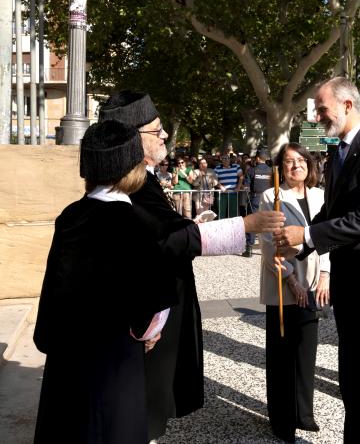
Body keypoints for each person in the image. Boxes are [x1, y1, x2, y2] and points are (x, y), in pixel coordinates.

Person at [98, 90, 285, 441]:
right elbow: (163, 240)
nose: (166, 135)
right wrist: (246, 226)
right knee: (140, 409)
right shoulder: (129, 185)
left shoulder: (142, 178)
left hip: (159, 308)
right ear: (133, 138)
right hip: (147, 317)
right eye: (157, 130)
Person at [274, 77, 360, 443]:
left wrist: (307, 236)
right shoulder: (337, 152)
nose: (317, 117)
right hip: (350, 289)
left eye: (322, 109)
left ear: (348, 105)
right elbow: (332, 213)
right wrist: (298, 245)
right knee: (353, 382)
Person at [34, 120, 177, 444]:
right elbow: (157, 300)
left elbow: (54, 285)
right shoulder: (142, 224)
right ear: (133, 168)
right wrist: (148, 332)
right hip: (117, 362)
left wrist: (48, 336)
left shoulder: (70, 217)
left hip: (67, 359)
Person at [258, 143, 330, 443]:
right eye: (289, 162)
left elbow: (328, 236)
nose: (295, 166)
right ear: (280, 167)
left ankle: (304, 412)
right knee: (282, 353)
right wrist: (291, 281)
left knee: (306, 351)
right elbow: (267, 243)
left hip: (315, 282)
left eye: (301, 160)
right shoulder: (271, 197)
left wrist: (326, 274)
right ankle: (281, 418)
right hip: (284, 283)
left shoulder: (319, 195)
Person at [246, 149, 274, 257]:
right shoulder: (271, 170)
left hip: (255, 198)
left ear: (257, 158)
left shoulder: (251, 170)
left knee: (253, 222)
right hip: (268, 199)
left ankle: (249, 248)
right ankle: (270, 248)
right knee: (269, 223)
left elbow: (247, 187)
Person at [214, 154, 243, 219]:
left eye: (227, 158)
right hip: (222, 194)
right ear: (221, 160)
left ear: (230, 159)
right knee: (221, 212)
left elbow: (241, 177)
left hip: (233, 193)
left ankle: (233, 228)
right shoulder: (217, 168)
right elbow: (214, 179)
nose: (226, 160)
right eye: (224, 158)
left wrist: (238, 187)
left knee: (233, 213)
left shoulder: (236, 166)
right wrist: (221, 186)